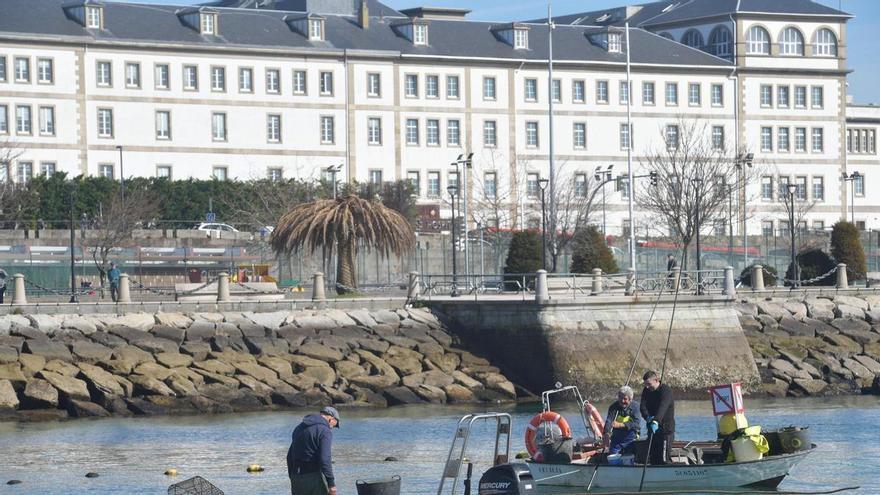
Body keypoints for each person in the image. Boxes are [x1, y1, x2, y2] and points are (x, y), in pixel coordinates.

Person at [287, 406, 340, 495]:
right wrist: (331, 484)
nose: (331, 428)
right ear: (331, 418)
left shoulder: (299, 428)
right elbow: (325, 459)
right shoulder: (324, 430)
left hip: (296, 477)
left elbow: (290, 456)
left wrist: (292, 477)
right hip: (313, 477)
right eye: (334, 425)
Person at [640, 370, 675, 465]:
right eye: (645, 384)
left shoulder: (666, 391)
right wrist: (647, 417)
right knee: (653, 457)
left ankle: (667, 470)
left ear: (656, 380)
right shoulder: (646, 390)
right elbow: (642, 406)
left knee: (664, 458)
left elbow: (663, 407)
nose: (647, 387)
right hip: (652, 428)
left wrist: (656, 421)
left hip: (665, 429)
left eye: (649, 384)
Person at [603, 385, 642, 455]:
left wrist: (621, 425)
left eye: (625, 399)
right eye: (620, 398)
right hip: (616, 439)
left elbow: (636, 423)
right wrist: (606, 433)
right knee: (613, 455)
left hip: (631, 438)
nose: (622, 401)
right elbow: (609, 421)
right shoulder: (613, 407)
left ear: (630, 399)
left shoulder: (636, 407)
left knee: (631, 456)